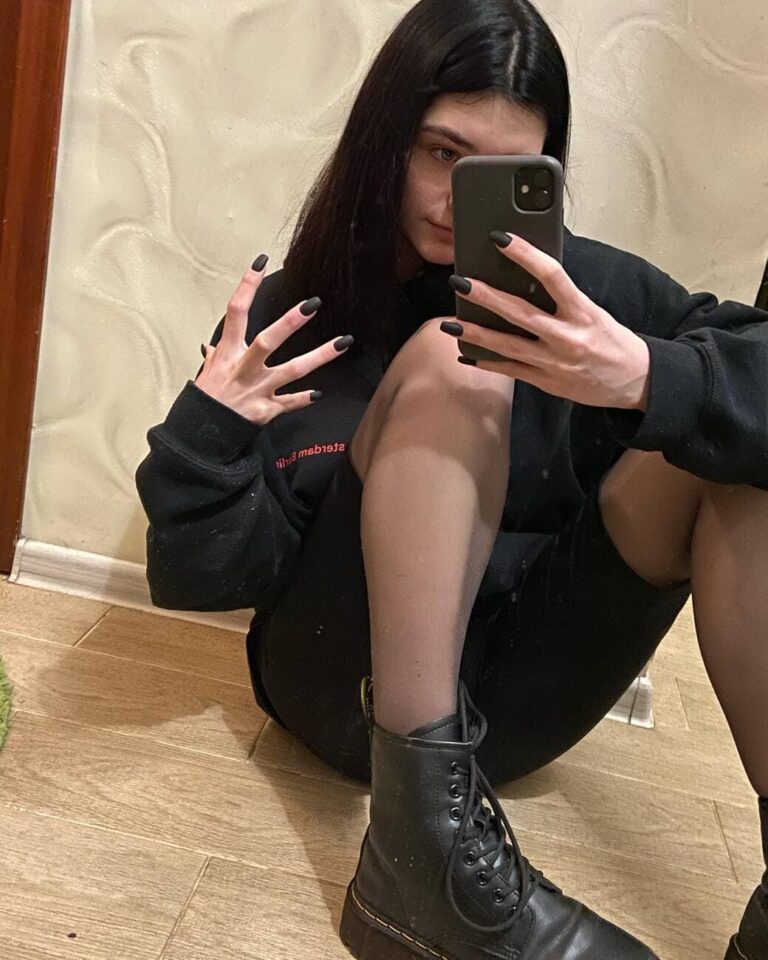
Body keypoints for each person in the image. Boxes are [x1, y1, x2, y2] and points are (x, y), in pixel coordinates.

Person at [134, 1, 768, 957]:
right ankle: (417, 861)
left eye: (506, 172)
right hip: (342, 691)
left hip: (523, 703)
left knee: (735, 444)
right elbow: (201, 576)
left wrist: (642, 375)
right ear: (384, 142)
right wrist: (207, 432)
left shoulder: (592, 299)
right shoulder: (296, 314)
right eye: (441, 153)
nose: (456, 199)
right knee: (454, 357)